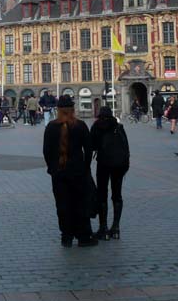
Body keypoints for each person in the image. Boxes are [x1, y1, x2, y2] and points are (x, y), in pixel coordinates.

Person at [43, 95, 97, 248]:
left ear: (58, 110)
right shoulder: (80, 125)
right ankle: (83, 237)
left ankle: (66, 237)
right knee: (81, 203)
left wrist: (52, 167)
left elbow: (46, 151)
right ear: (73, 110)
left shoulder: (51, 127)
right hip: (78, 171)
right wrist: (86, 167)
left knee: (62, 204)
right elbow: (89, 149)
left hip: (59, 172)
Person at [90, 106, 129, 240]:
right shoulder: (119, 126)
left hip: (103, 164)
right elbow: (126, 147)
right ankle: (116, 227)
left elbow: (92, 146)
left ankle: (103, 228)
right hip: (119, 165)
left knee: (102, 194)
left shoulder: (96, 126)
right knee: (117, 195)